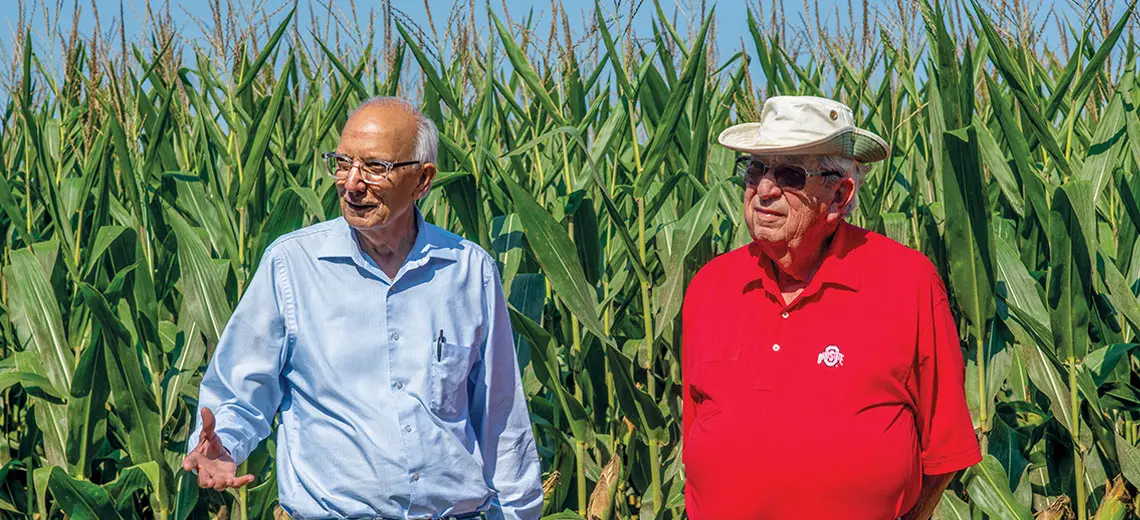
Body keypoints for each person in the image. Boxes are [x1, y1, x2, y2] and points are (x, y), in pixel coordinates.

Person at [181, 97, 543, 520]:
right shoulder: (292, 267)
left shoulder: (468, 270)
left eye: (374, 167)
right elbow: (241, 395)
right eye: (342, 163)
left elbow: (500, 415)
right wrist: (222, 442)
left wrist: (518, 512)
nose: (352, 183)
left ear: (422, 180)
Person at [682, 96, 981, 519]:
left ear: (840, 195)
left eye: (788, 175)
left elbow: (945, 446)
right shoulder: (709, 287)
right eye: (755, 170)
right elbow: (696, 431)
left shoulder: (908, 283)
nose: (764, 190)